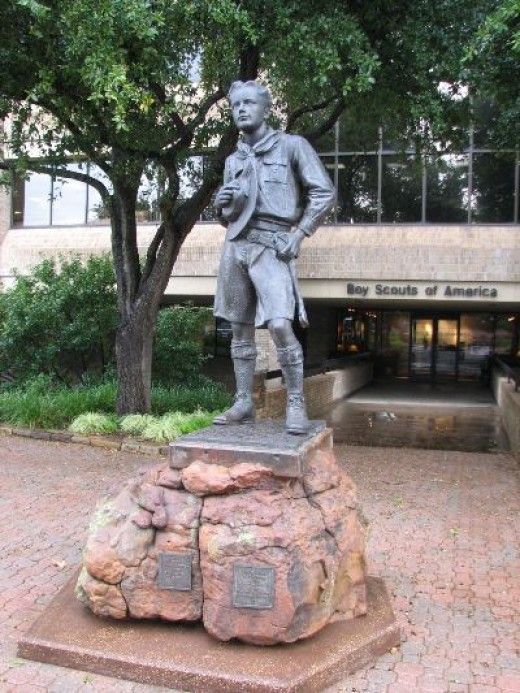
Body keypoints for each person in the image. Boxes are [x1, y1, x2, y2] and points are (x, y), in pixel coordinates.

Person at [213, 80, 335, 434]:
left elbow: (324, 193)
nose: (241, 109)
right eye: (236, 105)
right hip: (236, 246)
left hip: (273, 245)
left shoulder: (292, 146)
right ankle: (243, 400)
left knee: (280, 324)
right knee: (238, 328)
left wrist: (299, 235)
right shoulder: (234, 159)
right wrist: (223, 206)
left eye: (249, 103)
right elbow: (229, 215)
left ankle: (295, 402)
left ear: (266, 109)